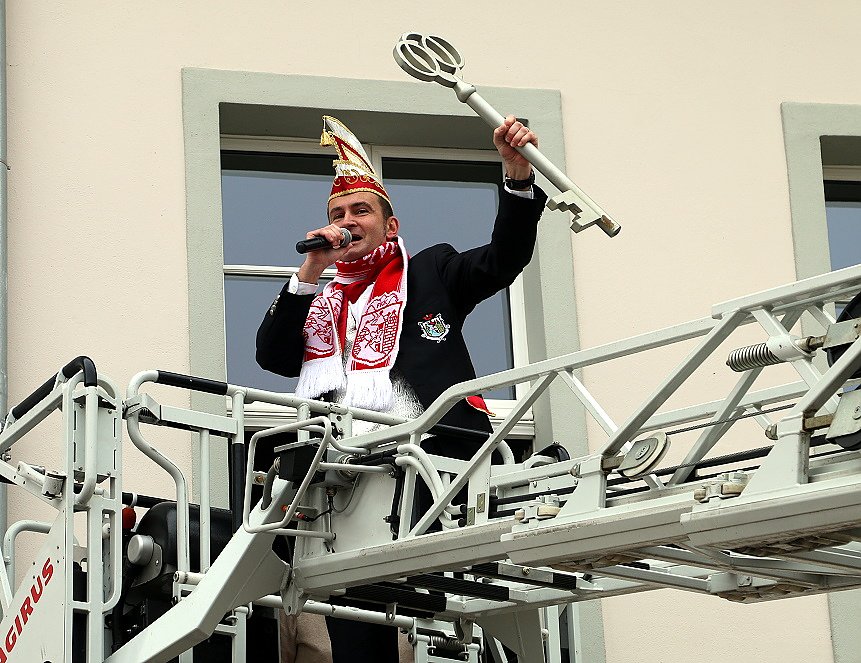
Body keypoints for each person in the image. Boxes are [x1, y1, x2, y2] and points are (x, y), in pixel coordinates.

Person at [257, 114, 545, 663]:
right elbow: (270, 355)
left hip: (434, 475)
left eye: (360, 210)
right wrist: (311, 268)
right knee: (357, 638)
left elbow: (503, 258)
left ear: (390, 226)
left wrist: (516, 177)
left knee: (451, 625)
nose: (347, 221)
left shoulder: (431, 271)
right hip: (346, 494)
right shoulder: (319, 304)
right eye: (337, 214)